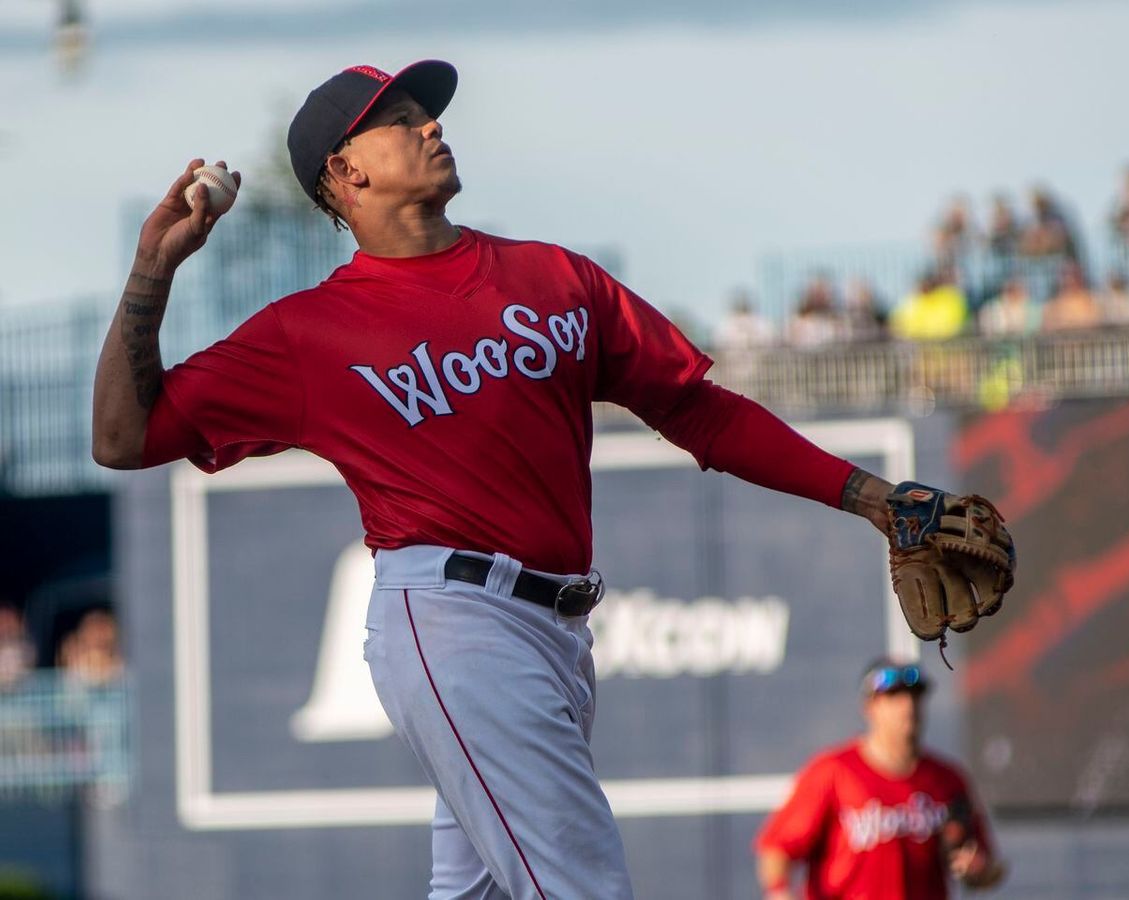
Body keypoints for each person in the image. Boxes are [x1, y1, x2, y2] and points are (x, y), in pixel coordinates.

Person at [92, 60, 903, 900]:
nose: (434, 127)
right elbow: (122, 437)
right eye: (402, 119)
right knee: (581, 886)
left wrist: (873, 498)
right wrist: (155, 265)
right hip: (453, 624)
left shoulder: (554, 278)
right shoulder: (308, 333)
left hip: (558, 634)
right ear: (346, 171)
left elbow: (699, 412)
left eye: (428, 114)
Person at [755, 658, 1005, 899]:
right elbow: (776, 848)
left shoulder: (947, 780)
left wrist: (978, 870)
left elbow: (986, 866)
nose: (908, 706)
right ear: (870, 707)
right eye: (894, 696)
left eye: (914, 695)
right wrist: (779, 890)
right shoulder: (833, 772)